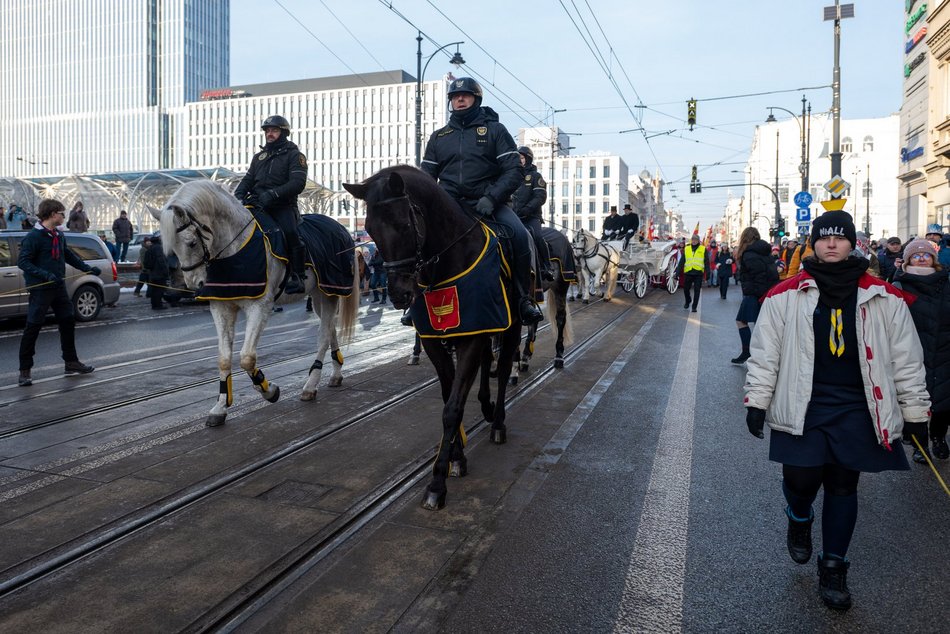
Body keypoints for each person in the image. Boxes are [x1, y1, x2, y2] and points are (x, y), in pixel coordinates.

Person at [743, 210, 930, 612]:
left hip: (859, 406)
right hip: (803, 402)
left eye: (840, 238)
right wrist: (757, 400)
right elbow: (764, 353)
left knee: (844, 485)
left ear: (852, 243)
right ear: (814, 242)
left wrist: (916, 412)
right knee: (801, 478)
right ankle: (798, 515)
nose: (832, 244)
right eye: (824, 238)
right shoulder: (784, 294)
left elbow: (907, 359)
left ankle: (834, 568)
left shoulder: (883, 295)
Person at [420, 77, 543, 325]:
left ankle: (523, 299)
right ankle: (418, 300)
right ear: (450, 103)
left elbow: (514, 171)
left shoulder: (495, 130)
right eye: (455, 96)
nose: (460, 99)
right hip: (450, 205)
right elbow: (426, 179)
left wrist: (492, 197)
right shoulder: (438, 137)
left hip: (489, 205)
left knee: (521, 235)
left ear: (476, 99)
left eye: (465, 95)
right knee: (419, 239)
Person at [16, 199, 100, 386]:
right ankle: (25, 370)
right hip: (40, 289)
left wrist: (87, 268)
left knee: (68, 321)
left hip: (58, 287)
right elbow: (23, 262)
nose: (64, 216)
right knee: (33, 327)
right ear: (53, 214)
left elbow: (68, 255)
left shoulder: (58, 235)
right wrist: (44, 275)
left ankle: (71, 362)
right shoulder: (34, 237)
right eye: (62, 213)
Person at [234, 115, 308, 294]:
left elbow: (298, 183)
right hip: (258, 203)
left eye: (274, 130)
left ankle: (298, 276)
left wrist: (273, 194)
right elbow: (248, 179)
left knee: (290, 232)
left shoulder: (295, 155)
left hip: (283, 206)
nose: (270, 134)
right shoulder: (259, 157)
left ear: (283, 133)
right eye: (267, 131)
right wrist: (237, 196)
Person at [891, 238, 950, 462]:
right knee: (917, 398)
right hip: (913, 351)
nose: (922, 258)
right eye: (916, 255)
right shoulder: (899, 285)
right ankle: (920, 444)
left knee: (943, 402)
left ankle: (938, 436)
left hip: (945, 348)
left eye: (926, 255)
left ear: (934, 259)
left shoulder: (945, 281)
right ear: (907, 260)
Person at [731, 227, 778, 364]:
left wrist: (754, 292)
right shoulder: (764, 250)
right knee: (760, 324)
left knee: (743, 321)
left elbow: (758, 275)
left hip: (756, 293)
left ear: (745, 238)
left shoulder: (749, 253)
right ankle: (759, 354)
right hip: (767, 291)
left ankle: (750, 352)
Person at [511, 145, 553, 281]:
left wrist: (527, 209)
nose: (519, 160)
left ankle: (547, 266)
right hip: (514, 216)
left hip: (531, 217)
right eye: (518, 158)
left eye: (522, 158)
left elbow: (540, 196)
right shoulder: (512, 176)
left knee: (538, 237)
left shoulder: (535, 176)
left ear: (528, 159)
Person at [677, 233, 709, 312]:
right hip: (688, 272)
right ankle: (688, 300)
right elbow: (681, 261)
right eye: (693, 240)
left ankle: (694, 307)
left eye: (696, 240)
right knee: (686, 289)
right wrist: (677, 272)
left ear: (698, 241)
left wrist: (708, 273)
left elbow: (707, 262)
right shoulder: (687, 248)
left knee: (697, 290)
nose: (694, 241)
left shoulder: (703, 249)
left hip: (698, 273)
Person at [143, 234, 169, 310]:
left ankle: (154, 305)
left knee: (154, 289)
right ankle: (158, 305)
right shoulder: (158, 248)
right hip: (159, 273)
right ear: (159, 241)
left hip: (152, 273)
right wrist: (166, 271)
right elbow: (161, 261)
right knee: (159, 290)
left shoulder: (150, 248)